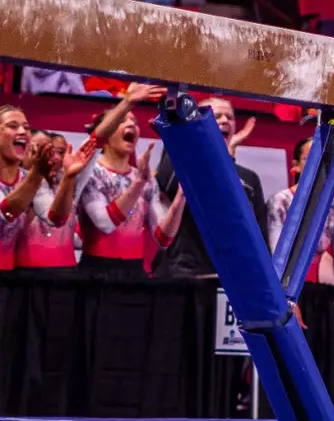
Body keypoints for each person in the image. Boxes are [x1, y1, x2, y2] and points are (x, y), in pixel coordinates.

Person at [65, 89, 186, 278]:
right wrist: (138, 184)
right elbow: (104, 223)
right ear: (105, 134)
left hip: (136, 273)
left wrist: (182, 196)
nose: (131, 123)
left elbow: (163, 238)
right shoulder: (91, 173)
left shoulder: (144, 178)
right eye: (121, 120)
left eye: (135, 122)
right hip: (97, 273)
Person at [151, 97, 263, 280]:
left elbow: (260, 238)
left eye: (229, 117)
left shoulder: (249, 179)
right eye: (215, 116)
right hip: (184, 276)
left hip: (230, 280)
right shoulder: (177, 165)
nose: (225, 120)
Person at [267, 135, 334, 351]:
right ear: (296, 166)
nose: (318, 166)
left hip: (313, 291)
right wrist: (289, 302)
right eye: (310, 159)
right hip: (279, 288)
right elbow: (277, 258)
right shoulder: (280, 202)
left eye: (325, 160)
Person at [15, 131, 86, 274]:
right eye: (37, 150)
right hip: (25, 273)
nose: (53, 157)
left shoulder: (65, 184)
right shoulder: (15, 182)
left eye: (59, 152)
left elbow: (58, 223)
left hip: (67, 273)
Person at [0, 107, 52, 270]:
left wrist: (70, 180)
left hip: (10, 277)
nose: (22, 131)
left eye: (26, 127)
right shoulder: (33, 177)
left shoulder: (27, 177)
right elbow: (5, 215)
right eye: (13, 126)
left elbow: (54, 219)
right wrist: (36, 174)